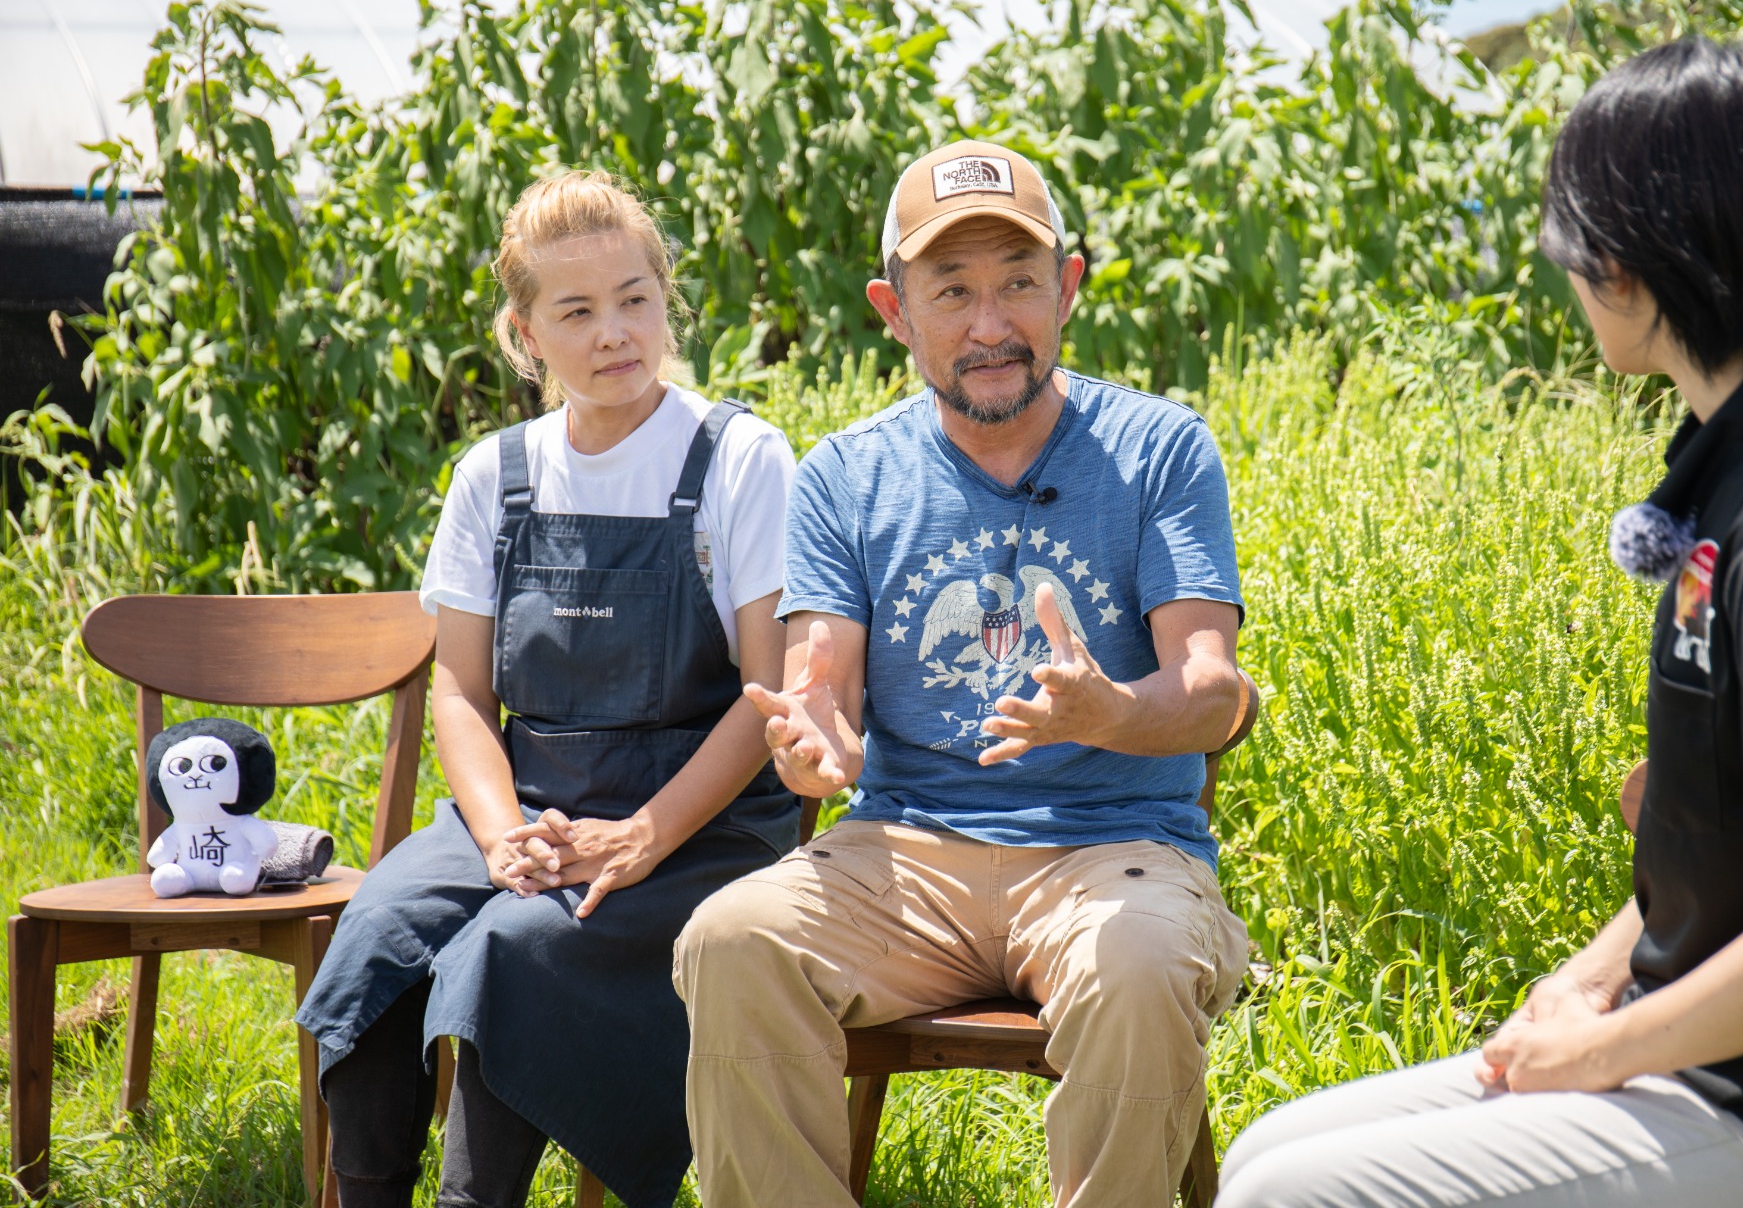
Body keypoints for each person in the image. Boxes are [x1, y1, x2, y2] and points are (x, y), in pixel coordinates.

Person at [1215, 37, 1743, 1207]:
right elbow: (1715, 841)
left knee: (1291, 1198)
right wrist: (1582, 980)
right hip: (1712, 1076)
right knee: (1263, 1153)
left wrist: (1594, 1052)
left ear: (1636, 258)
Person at [672, 140, 1253, 1208]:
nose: (990, 326)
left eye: (1017, 284)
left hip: (1113, 854)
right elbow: (821, 692)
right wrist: (812, 748)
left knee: (1136, 970)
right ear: (894, 311)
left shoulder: (1159, 450)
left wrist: (1110, 710)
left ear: (1066, 288)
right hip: (903, 857)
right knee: (730, 937)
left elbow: (1213, 690)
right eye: (952, 292)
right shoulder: (848, 473)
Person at [295, 170, 800, 1208]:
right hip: (527, 800)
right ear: (526, 335)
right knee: (377, 936)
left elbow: (768, 693)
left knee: (514, 953)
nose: (613, 331)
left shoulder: (737, 458)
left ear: (665, 300)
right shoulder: (497, 474)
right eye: (575, 311)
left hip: (700, 820)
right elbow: (462, 693)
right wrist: (496, 837)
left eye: (634, 298)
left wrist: (643, 834)